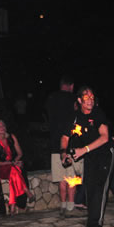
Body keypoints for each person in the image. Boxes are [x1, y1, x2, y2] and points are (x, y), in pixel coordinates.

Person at [60, 86, 114, 227]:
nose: (90, 100)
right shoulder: (75, 117)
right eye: (86, 98)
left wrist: (84, 150)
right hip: (90, 156)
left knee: (100, 189)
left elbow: (104, 137)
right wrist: (64, 153)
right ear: (79, 100)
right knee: (89, 189)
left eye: (92, 97)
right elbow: (65, 137)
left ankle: (96, 226)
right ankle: (90, 225)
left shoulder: (98, 113)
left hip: (105, 154)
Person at [47, 76, 82, 217]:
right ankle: (70, 207)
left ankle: (62, 205)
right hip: (69, 144)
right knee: (71, 177)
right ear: (71, 86)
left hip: (55, 144)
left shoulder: (51, 98)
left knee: (62, 178)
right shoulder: (73, 99)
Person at [0, 119, 35, 215]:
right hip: (1, 168)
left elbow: (20, 153)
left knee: (14, 173)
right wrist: (13, 163)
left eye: (3, 125)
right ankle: (27, 192)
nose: (2, 128)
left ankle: (12, 206)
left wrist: (15, 161)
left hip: (13, 167)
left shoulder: (11, 137)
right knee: (15, 169)